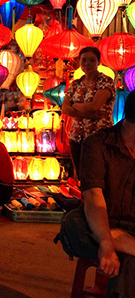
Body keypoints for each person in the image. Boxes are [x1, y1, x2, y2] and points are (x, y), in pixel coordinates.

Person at [80, 90, 135, 291]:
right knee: (75, 226)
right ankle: (119, 240)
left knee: (130, 263)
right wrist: (106, 242)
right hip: (100, 223)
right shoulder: (97, 144)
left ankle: (123, 241)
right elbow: (93, 196)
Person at [62, 46, 114, 179]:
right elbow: (65, 109)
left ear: (98, 62)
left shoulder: (105, 81)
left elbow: (95, 107)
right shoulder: (75, 84)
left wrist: (74, 105)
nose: (87, 64)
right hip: (76, 136)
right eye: (84, 60)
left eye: (92, 60)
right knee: (80, 176)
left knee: (96, 176)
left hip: (98, 136)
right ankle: (82, 199)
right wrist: (87, 112)